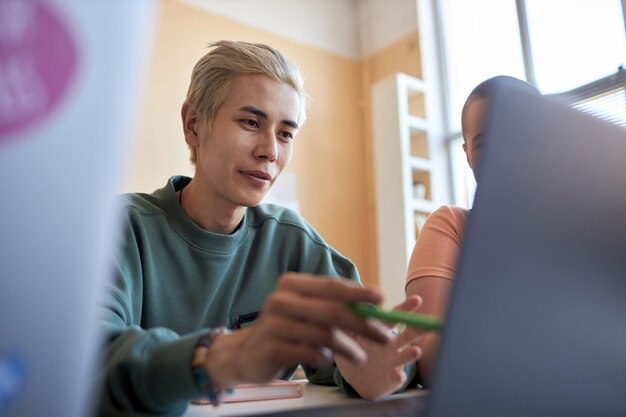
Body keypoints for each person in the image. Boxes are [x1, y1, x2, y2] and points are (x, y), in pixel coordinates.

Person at [97, 40, 422, 416]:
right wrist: (222, 357)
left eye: (285, 133)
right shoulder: (120, 228)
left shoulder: (292, 242)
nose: (270, 150)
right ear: (193, 125)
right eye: (251, 122)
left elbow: (381, 347)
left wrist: (378, 371)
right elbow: (84, 357)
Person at [405, 75, 541, 385]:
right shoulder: (452, 226)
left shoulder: (585, 225)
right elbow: (424, 351)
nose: (503, 152)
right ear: (467, 154)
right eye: (484, 143)